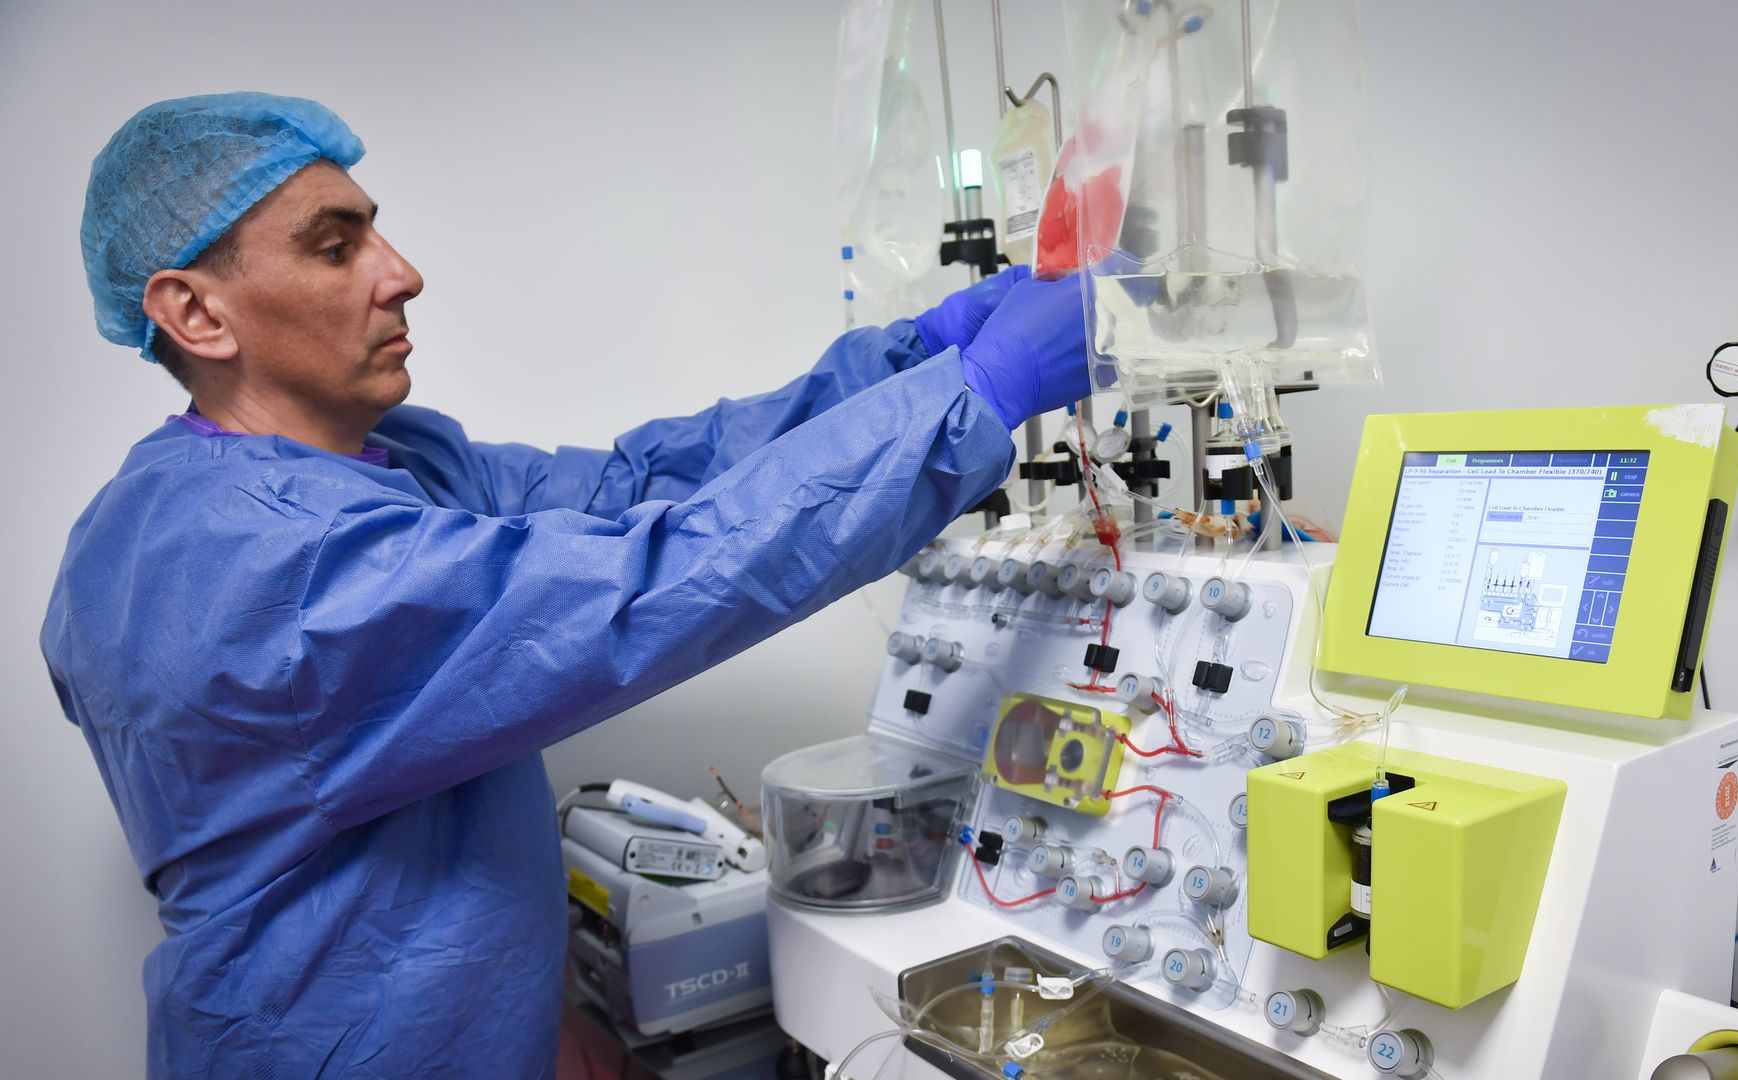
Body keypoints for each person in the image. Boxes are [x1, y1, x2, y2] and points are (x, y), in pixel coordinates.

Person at [43, 93, 1091, 1078]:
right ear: (197, 314)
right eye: (336, 246)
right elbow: (653, 582)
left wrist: (916, 356)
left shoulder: (384, 469)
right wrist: (973, 401)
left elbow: (642, 487)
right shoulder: (257, 570)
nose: (400, 272)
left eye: (376, 231)